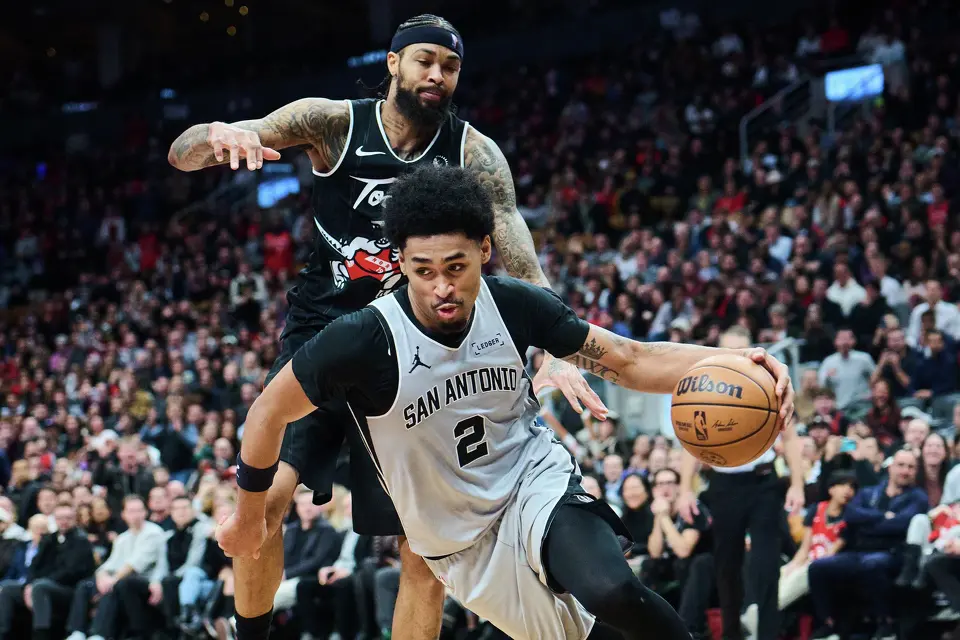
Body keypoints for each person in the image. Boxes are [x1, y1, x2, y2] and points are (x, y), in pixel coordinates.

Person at [216, 165, 796, 640]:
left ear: (486, 250)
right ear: (399, 264)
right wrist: (248, 515)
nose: (442, 286)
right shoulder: (363, 339)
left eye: (456, 267)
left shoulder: (514, 304)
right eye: (423, 271)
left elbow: (629, 358)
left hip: (530, 483)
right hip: (459, 545)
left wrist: (747, 360)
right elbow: (267, 411)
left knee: (615, 589)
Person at [167, 13, 603, 640]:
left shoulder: (473, 153)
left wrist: (554, 348)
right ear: (393, 63)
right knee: (264, 506)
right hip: (324, 335)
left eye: (450, 67)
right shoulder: (333, 123)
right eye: (424, 60)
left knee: (424, 552)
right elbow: (185, 156)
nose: (437, 75)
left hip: (411, 355)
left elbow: (521, 260)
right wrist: (219, 134)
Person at [678, 327, 806, 640]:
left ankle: (768, 635)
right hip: (724, 485)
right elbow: (690, 441)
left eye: (741, 349)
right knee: (727, 567)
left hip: (763, 484)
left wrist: (798, 485)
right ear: (718, 350)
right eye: (729, 348)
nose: (736, 354)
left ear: (753, 351)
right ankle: (732, 634)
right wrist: (684, 490)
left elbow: (790, 438)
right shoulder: (703, 382)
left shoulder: (768, 382)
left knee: (766, 565)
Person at [807, 449, 928, 640]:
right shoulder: (868, 492)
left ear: (916, 471)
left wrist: (870, 523)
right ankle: (828, 624)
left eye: (911, 467)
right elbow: (851, 515)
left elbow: (902, 524)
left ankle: (885, 623)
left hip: (892, 552)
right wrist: (882, 517)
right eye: (901, 465)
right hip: (858, 550)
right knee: (818, 568)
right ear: (891, 467)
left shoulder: (918, 497)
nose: (905, 471)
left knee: (872, 564)